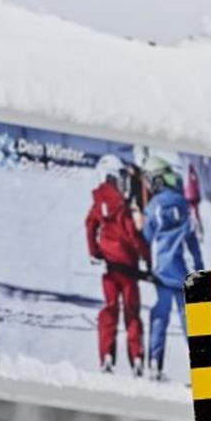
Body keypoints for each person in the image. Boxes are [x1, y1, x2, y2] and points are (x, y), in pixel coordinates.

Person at [85, 154, 152, 376]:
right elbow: (133, 236)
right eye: (119, 178)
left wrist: (94, 251)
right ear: (111, 177)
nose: (122, 183)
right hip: (129, 272)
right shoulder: (122, 208)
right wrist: (148, 259)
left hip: (110, 270)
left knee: (110, 309)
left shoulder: (98, 202)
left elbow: (90, 224)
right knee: (132, 314)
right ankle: (137, 357)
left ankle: (106, 354)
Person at [141, 156, 204, 380]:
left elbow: (146, 238)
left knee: (160, 315)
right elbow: (193, 242)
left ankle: (154, 364)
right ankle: (202, 369)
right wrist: (199, 270)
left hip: (162, 272)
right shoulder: (182, 204)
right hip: (184, 273)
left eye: (149, 181)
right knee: (190, 320)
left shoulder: (153, 206)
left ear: (157, 181)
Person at [185, 160, 204, 240]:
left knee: (194, 215)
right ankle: (197, 231)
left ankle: (197, 231)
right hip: (192, 198)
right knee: (194, 215)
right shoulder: (193, 177)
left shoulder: (192, 177)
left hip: (192, 198)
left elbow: (195, 186)